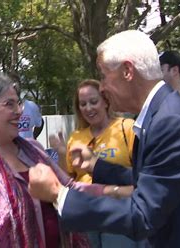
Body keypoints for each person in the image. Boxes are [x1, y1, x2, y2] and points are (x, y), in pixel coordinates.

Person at [28, 30, 180, 248]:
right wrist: (96, 165)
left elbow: (143, 214)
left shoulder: (170, 122)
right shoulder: (163, 113)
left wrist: (60, 195)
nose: (102, 87)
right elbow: (150, 179)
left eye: (104, 75)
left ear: (127, 71)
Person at [0, 70, 130, 247]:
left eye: (18, 103)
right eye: (9, 104)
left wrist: (117, 191)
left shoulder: (33, 150)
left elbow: (69, 189)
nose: (19, 111)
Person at [50, 79, 135, 248]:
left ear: (106, 101)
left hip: (117, 211)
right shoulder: (76, 137)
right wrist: (61, 153)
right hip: (84, 212)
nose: (88, 108)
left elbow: (141, 173)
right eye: (83, 104)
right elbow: (67, 180)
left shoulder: (127, 128)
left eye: (93, 102)